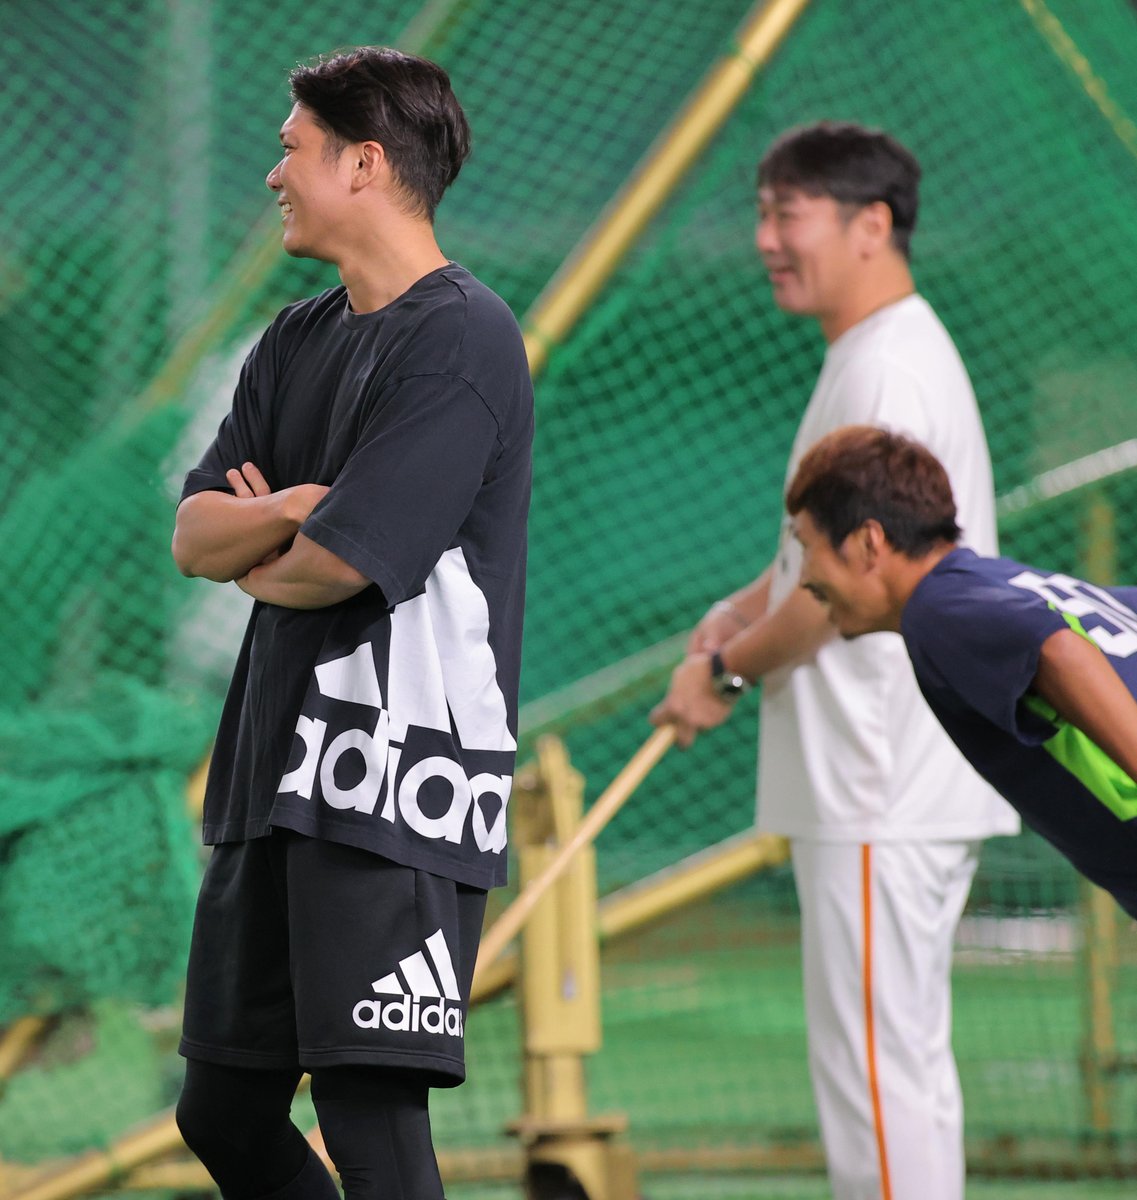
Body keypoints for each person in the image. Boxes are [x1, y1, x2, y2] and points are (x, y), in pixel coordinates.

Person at [170, 47, 533, 1200]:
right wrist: (281, 510)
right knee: (222, 1109)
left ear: (364, 163)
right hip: (272, 773)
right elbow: (192, 537)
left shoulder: (464, 337)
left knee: (370, 1120)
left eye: (292, 148)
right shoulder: (295, 336)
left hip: (393, 781)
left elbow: (335, 565)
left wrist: (268, 550)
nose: (274, 173)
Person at [650, 121, 1019, 1200]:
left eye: (788, 212)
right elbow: (811, 559)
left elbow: (839, 590)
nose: (766, 237)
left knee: (878, 1083)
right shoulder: (874, 355)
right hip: (886, 776)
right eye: (762, 212)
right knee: (894, 1072)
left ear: (871, 225)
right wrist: (731, 615)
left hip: (878, 770)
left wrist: (724, 674)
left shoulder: (889, 370)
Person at [786, 423, 1137, 915]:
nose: (803, 576)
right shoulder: (1006, 582)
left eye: (806, 546)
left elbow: (1059, 652)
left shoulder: (936, 608)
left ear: (868, 542)